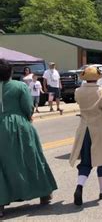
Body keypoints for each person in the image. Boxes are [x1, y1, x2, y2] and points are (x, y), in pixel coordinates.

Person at [0, 59, 57, 218]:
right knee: (31, 156)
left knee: (2, 163)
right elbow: (28, 107)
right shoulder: (20, 86)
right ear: (10, 72)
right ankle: (44, 193)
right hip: (19, 125)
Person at [69, 66, 102, 206]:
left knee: (85, 161)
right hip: (100, 129)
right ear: (97, 78)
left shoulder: (78, 92)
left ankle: (79, 187)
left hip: (84, 129)